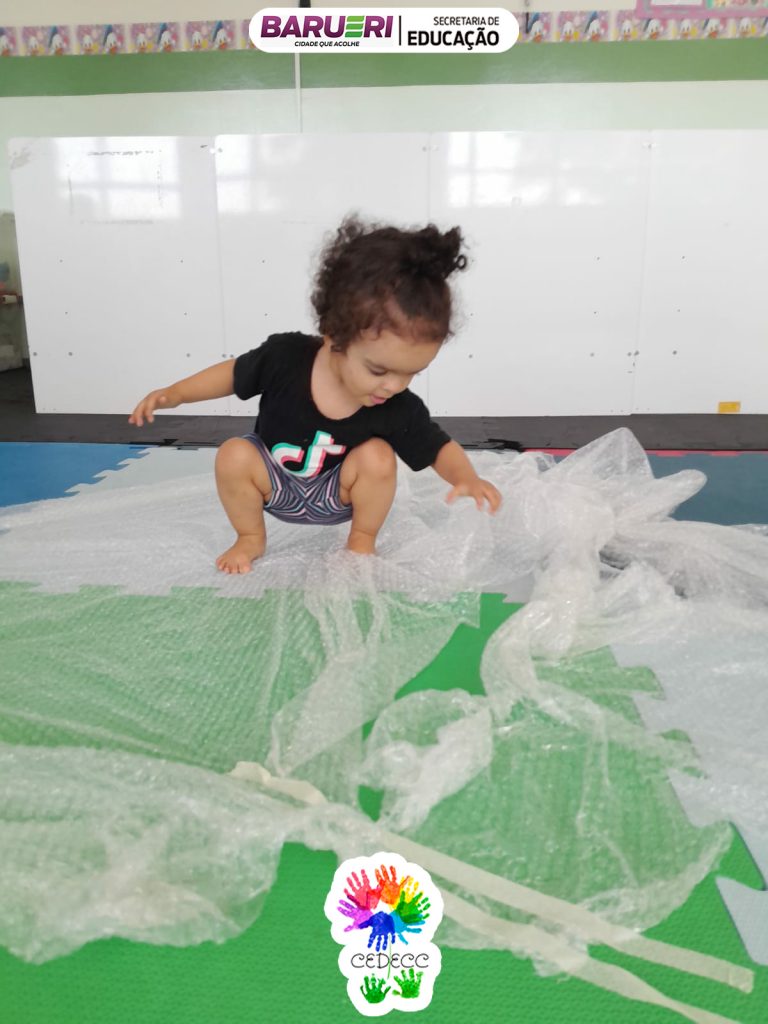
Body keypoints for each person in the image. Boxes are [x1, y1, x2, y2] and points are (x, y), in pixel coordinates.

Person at [129, 216, 502, 574]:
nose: (395, 386)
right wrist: (176, 394)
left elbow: (437, 447)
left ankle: (361, 540)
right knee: (233, 454)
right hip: (275, 483)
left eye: (412, 374)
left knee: (378, 456)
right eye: (379, 371)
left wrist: (465, 477)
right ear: (334, 334)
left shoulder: (395, 405)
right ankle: (250, 537)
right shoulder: (285, 357)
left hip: (337, 495)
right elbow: (232, 374)